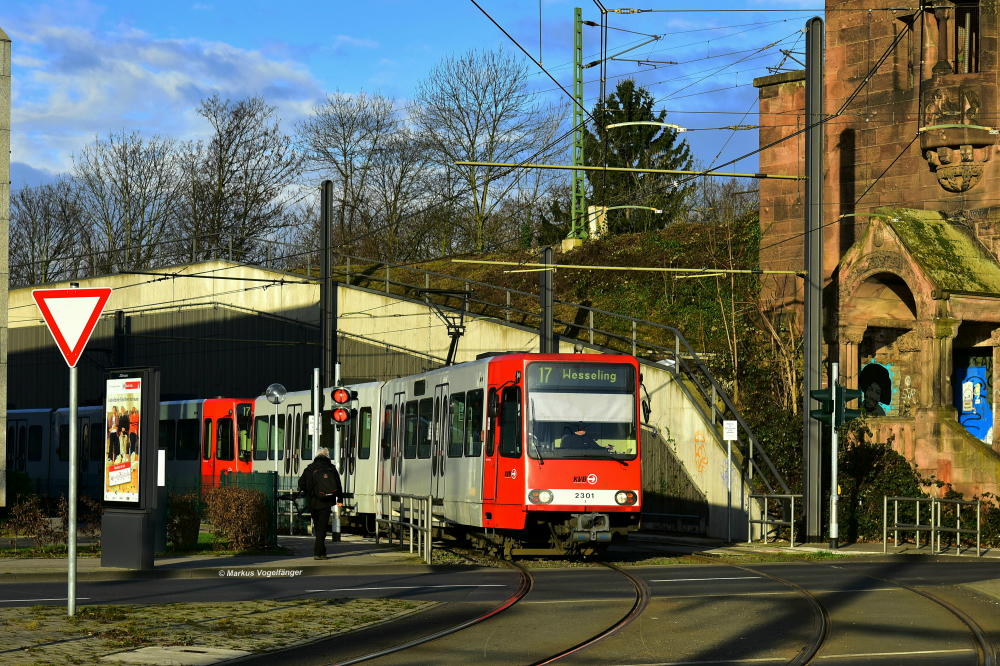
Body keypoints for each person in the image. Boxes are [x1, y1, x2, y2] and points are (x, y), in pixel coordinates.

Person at [298, 447, 342, 560]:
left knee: (318, 527)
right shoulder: (331, 468)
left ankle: (320, 552)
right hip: (326, 502)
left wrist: (307, 491)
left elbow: (301, 483)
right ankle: (319, 552)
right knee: (322, 528)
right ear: (327, 456)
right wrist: (340, 500)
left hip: (313, 502)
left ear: (317, 456)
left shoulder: (310, 468)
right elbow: (338, 484)